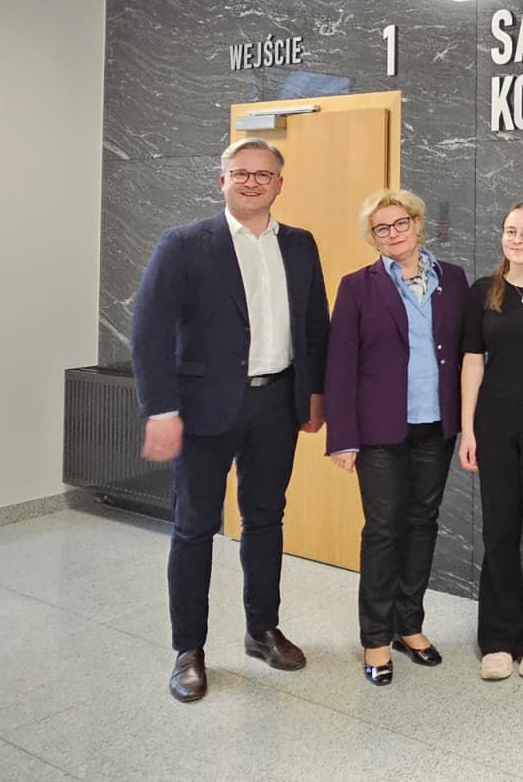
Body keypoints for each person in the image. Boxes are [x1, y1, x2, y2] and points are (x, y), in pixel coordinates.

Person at [131, 137, 329, 703]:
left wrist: (314, 395)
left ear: (279, 184)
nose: (252, 182)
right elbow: (148, 331)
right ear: (223, 180)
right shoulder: (185, 244)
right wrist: (161, 409)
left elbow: (315, 324)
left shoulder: (300, 244)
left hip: (276, 404)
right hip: (202, 410)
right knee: (194, 527)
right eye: (241, 173)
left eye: (263, 174)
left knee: (266, 519)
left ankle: (261, 630)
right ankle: (188, 650)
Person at [323, 189, 469, 685]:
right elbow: (340, 365)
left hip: (436, 425)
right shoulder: (357, 287)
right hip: (380, 430)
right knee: (384, 530)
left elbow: (464, 352)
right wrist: (343, 437)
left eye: (400, 222)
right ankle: (376, 638)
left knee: (422, 522)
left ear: (417, 223)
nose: (393, 233)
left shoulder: (452, 278)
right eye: (381, 228)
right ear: (373, 237)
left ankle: (410, 625)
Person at [460, 202, 523, 681]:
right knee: (499, 531)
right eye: (510, 231)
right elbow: (472, 361)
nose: (517, 240)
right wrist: (468, 428)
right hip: (494, 422)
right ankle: (497, 639)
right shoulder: (483, 291)